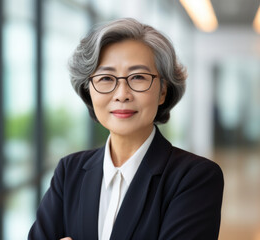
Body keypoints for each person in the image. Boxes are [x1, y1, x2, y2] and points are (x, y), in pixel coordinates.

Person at [28, 18, 224, 240]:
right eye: (105, 78)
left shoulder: (195, 178)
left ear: (162, 91)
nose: (122, 94)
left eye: (138, 77)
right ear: (88, 90)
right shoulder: (69, 172)